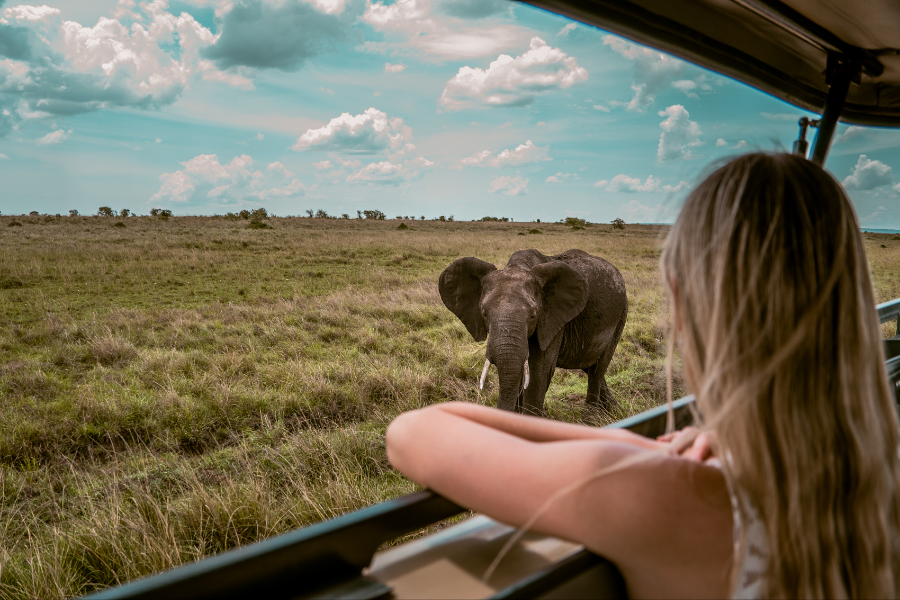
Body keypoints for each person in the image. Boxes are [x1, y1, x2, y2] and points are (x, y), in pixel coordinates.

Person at [386, 153, 900, 599]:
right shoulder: (881, 463)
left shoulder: (670, 496)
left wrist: (643, 453)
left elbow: (411, 432)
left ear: (683, 304)